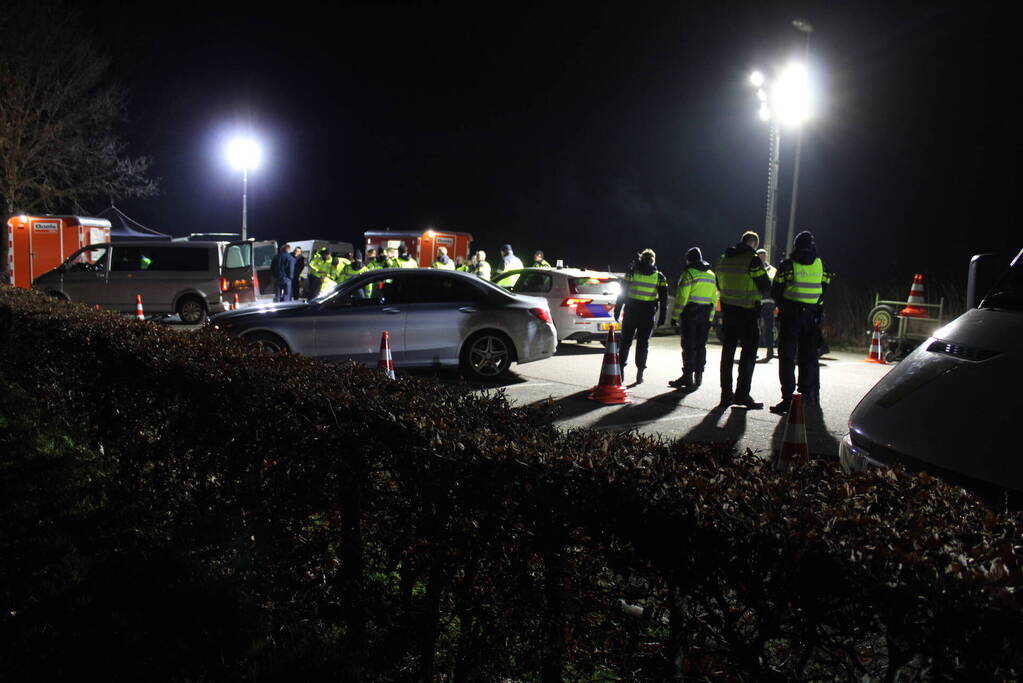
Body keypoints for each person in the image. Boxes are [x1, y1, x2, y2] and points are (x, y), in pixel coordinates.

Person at [769, 230, 831, 414]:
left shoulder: (788, 265)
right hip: (811, 316)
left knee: (787, 358)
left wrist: (785, 304)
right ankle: (806, 396)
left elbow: (776, 290)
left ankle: (788, 398)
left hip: (791, 314)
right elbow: (825, 286)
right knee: (809, 357)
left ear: (796, 245)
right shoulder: (821, 265)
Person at [715, 230, 771, 408]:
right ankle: (742, 394)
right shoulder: (752, 259)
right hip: (747, 313)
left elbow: (718, 283)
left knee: (728, 353)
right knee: (748, 355)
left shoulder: (725, 258)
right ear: (754, 243)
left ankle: (726, 395)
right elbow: (765, 285)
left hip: (728, 312)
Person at [613, 248, 668, 384]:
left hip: (631, 310)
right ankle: (640, 374)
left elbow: (623, 292)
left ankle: (621, 372)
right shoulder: (659, 276)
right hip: (648, 314)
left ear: (641, 259)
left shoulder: (632, 272)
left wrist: (617, 309)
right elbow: (664, 299)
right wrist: (662, 317)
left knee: (625, 342)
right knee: (643, 343)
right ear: (653, 260)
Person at [668, 247, 717, 390]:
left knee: (689, 346)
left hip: (690, 313)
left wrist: (675, 316)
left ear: (688, 259)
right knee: (701, 346)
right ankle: (699, 376)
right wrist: (711, 317)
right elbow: (714, 298)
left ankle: (687, 377)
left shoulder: (688, 273)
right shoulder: (711, 274)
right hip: (705, 314)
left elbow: (682, 297)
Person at [756, 248, 778, 360]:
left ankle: (770, 351)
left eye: (764, 255)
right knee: (755, 328)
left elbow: (777, 285)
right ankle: (753, 350)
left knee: (768, 328)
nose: (762, 257)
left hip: (768, 302)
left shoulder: (773, 270)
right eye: (760, 255)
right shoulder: (753, 267)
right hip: (755, 301)